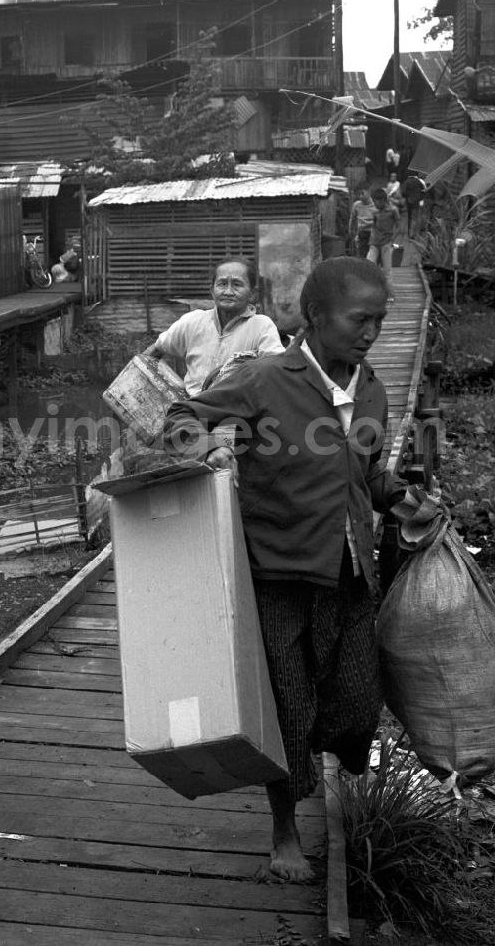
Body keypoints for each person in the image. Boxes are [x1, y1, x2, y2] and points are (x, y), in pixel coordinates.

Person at [162, 257, 405, 883]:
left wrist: (398, 494)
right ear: (315, 317)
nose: (371, 332)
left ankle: (320, 765)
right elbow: (185, 413)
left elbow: (367, 476)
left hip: (350, 573)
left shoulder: (372, 386)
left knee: (355, 705)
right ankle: (284, 830)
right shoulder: (265, 379)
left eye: (380, 320)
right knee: (287, 709)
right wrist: (199, 445)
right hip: (277, 575)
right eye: (360, 319)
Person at [143, 258, 284, 395]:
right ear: (212, 290)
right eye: (222, 284)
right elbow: (155, 351)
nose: (228, 292)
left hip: (238, 412)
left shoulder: (261, 326)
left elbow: (278, 373)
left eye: (237, 284)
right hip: (192, 410)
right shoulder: (193, 321)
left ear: (252, 293)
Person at [366, 188, 400, 280]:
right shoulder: (375, 211)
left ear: (383, 200)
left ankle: (389, 293)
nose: (374, 204)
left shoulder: (393, 210)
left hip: (386, 243)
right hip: (374, 243)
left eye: (376, 201)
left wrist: (393, 238)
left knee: (387, 271)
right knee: (368, 266)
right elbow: (374, 225)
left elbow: (398, 225)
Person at [348, 188, 375, 258]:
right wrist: (350, 230)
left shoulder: (375, 205)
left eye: (362, 194)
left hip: (373, 232)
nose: (360, 196)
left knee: (372, 254)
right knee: (362, 253)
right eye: (359, 194)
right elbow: (352, 219)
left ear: (369, 193)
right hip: (362, 233)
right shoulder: (356, 205)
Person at [402, 171, 426, 240]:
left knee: (408, 217)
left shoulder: (407, 181)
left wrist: (407, 196)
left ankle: (407, 232)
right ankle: (412, 234)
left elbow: (403, 191)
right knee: (414, 218)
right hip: (416, 202)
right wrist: (420, 199)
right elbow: (423, 192)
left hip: (408, 201)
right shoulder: (420, 182)